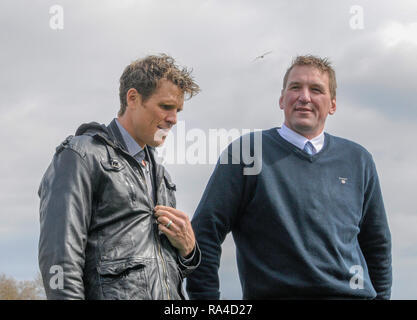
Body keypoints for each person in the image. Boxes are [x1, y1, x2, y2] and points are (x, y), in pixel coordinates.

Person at [186, 55, 392, 299]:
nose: (304, 97)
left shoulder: (358, 159)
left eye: (316, 90)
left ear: (333, 105)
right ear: (282, 99)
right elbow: (205, 232)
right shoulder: (247, 153)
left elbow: (377, 244)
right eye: (295, 87)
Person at [38, 54, 201, 300]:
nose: (174, 119)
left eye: (177, 110)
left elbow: (160, 272)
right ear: (133, 98)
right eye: (166, 107)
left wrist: (188, 251)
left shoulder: (161, 177)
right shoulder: (81, 155)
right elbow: (60, 258)